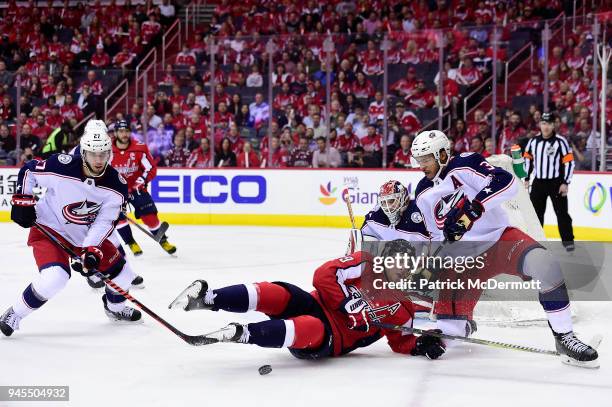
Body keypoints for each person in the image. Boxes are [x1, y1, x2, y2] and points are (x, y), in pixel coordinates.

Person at [410, 130, 598, 367]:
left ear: (443, 154)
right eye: (419, 160)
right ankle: (460, 327)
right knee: (450, 330)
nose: (421, 165)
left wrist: (473, 209)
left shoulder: (466, 163)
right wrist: (429, 266)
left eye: (426, 158)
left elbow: (506, 183)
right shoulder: (423, 192)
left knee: (547, 266)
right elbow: (433, 237)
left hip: (499, 240)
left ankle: (565, 337)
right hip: (462, 260)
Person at [169, 246, 446, 361]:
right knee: (280, 293)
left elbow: (400, 342)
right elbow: (323, 275)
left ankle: (242, 333)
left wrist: (420, 345)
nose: (402, 269)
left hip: (327, 341)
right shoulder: (364, 262)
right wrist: (344, 302)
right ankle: (209, 298)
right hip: (315, 304)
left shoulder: (403, 306)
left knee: (311, 326)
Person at [0, 122, 142, 337]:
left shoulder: (116, 184)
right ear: (83, 152)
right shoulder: (61, 165)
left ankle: (115, 309)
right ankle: (14, 314)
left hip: (83, 234)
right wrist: (23, 201)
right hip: (50, 228)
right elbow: (29, 170)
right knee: (55, 278)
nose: (98, 160)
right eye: (93, 154)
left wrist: (90, 249)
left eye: (103, 154)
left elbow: (104, 222)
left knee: (124, 275)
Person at [111, 120, 176, 256]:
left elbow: (151, 168)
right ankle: (131, 243)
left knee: (149, 215)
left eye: (127, 131)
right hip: (116, 190)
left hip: (137, 188)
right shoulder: (107, 150)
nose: (124, 134)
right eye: (121, 131)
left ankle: (163, 240)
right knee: (118, 218)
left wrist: (141, 181)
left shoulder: (139, 147)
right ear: (116, 133)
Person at [523, 112, 575, 251]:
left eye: (549, 124)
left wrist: (565, 182)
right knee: (536, 214)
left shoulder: (560, 141)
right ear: (540, 124)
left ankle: (568, 242)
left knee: (562, 213)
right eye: (544, 123)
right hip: (539, 183)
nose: (546, 127)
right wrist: (526, 178)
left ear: (554, 125)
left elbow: (569, 162)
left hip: (556, 183)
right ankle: (535, 243)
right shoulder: (533, 142)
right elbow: (527, 160)